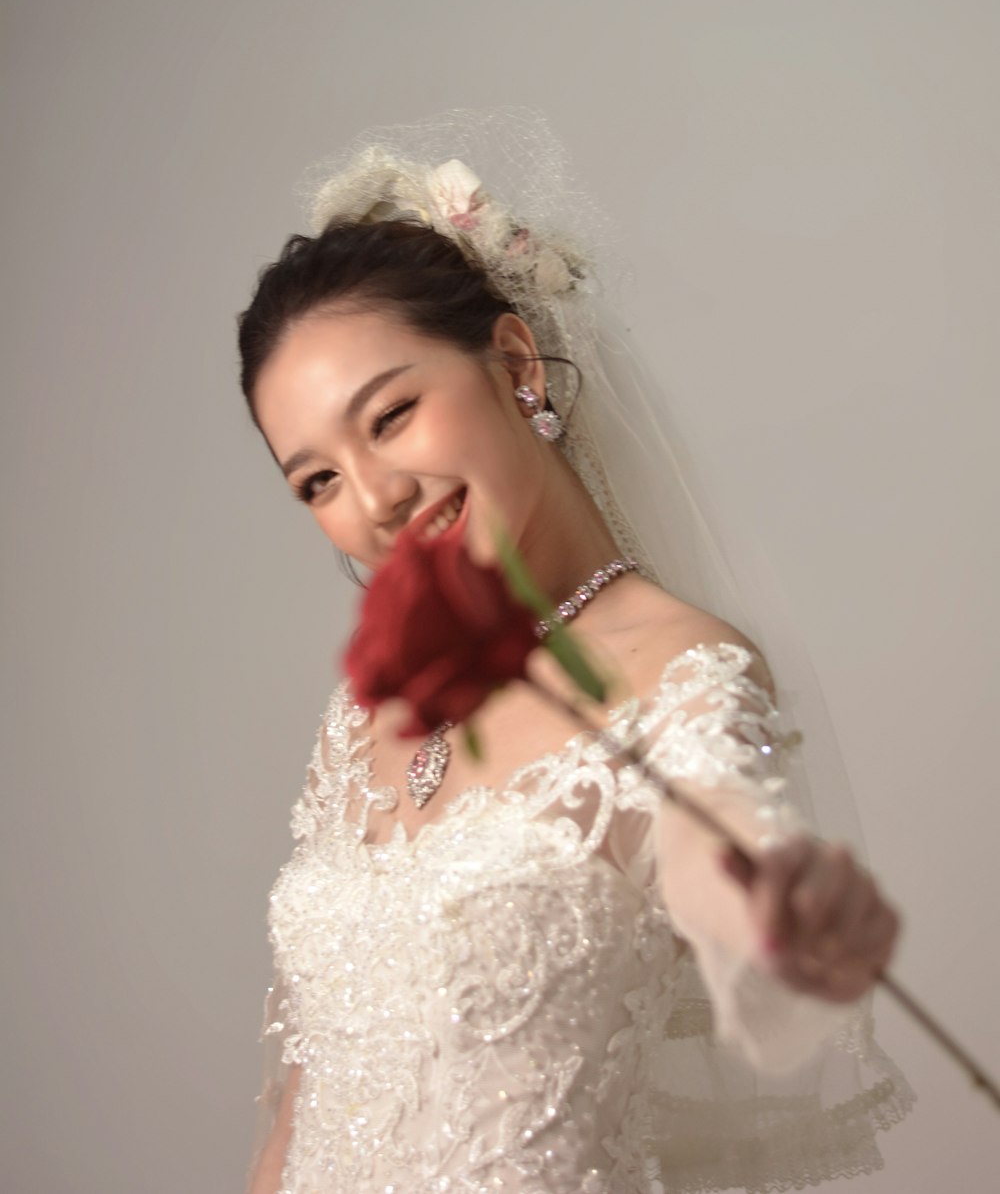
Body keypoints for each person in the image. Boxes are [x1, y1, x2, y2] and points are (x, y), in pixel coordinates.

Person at [236, 112, 915, 1193]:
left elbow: (724, 881)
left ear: (515, 363)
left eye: (393, 414)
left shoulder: (678, 668)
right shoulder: (359, 719)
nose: (374, 499)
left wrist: (777, 918)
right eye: (315, 479)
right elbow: (295, 1119)